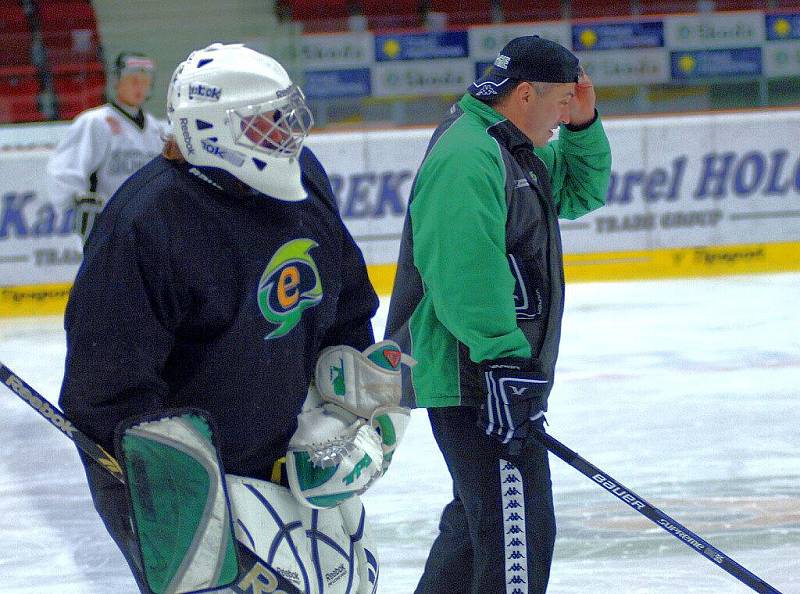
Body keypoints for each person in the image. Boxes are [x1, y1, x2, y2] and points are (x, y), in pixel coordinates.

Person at [59, 43, 409, 594]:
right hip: (195, 488)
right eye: (269, 123)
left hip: (287, 461)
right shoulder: (143, 226)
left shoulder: (303, 181)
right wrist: (185, 507)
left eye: (287, 115)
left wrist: (343, 413)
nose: (288, 135)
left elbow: (347, 309)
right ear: (212, 130)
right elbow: (105, 395)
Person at [385, 36, 612, 594]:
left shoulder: (508, 146)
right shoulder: (470, 154)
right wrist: (503, 360)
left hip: (491, 377)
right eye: (562, 101)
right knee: (520, 538)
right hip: (479, 378)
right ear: (528, 93)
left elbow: (583, 190)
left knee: (476, 529)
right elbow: (463, 267)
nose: (564, 113)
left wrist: (583, 126)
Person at [46, 52, 165, 243]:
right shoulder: (95, 122)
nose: (139, 86)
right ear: (117, 81)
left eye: (145, 80)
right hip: (106, 225)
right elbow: (65, 170)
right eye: (133, 79)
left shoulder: (158, 129)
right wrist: (73, 205)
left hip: (147, 225)